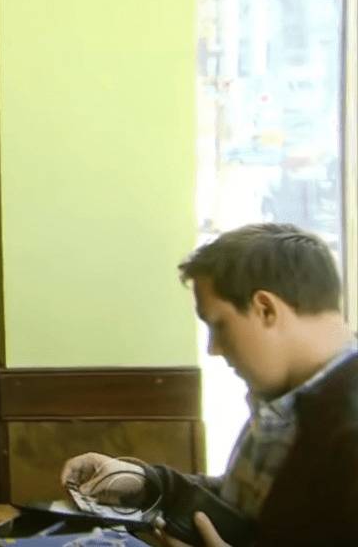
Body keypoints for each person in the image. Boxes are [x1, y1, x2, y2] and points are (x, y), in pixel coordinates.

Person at [61, 223, 357, 546]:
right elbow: (247, 504)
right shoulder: (288, 400)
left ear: (265, 309)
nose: (213, 348)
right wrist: (147, 484)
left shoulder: (346, 426)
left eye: (218, 324)